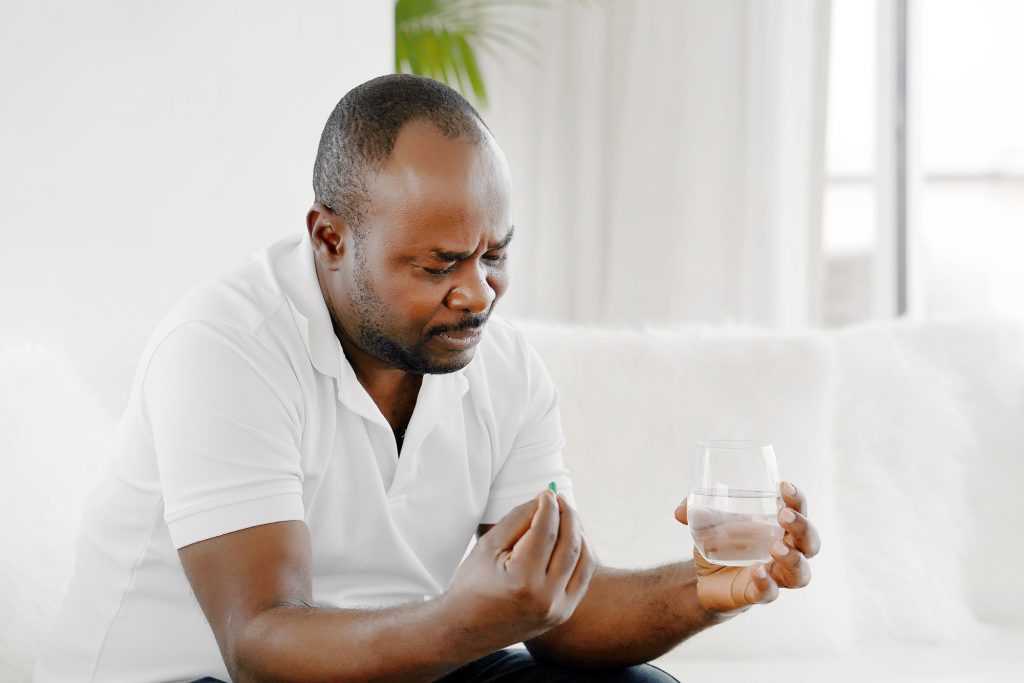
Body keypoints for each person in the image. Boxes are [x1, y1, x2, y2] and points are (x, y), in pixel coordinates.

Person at [34, 74, 820, 683]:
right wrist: (463, 620)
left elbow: (562, 616)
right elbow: (259, 644)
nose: (478, 292)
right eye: (440, 263)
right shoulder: (224, 348)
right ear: (330, 238)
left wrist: (706, 588)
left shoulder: (499, 365)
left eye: (495, 254)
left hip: (405, 660)